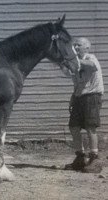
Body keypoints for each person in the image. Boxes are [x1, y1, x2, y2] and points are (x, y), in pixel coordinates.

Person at [63, 37, 104, 173]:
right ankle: (80, 158)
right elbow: (77, 83)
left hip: (92, 97)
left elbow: (92, 67)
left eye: (79, 45)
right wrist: (72, 98)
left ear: (87, 48)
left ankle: (95, 159)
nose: (76, 47)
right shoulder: (76, 65)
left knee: (90, 127)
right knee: (73, 127)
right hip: (79, 98)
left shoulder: (91, 57)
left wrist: (74, 61)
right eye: (75, 45)